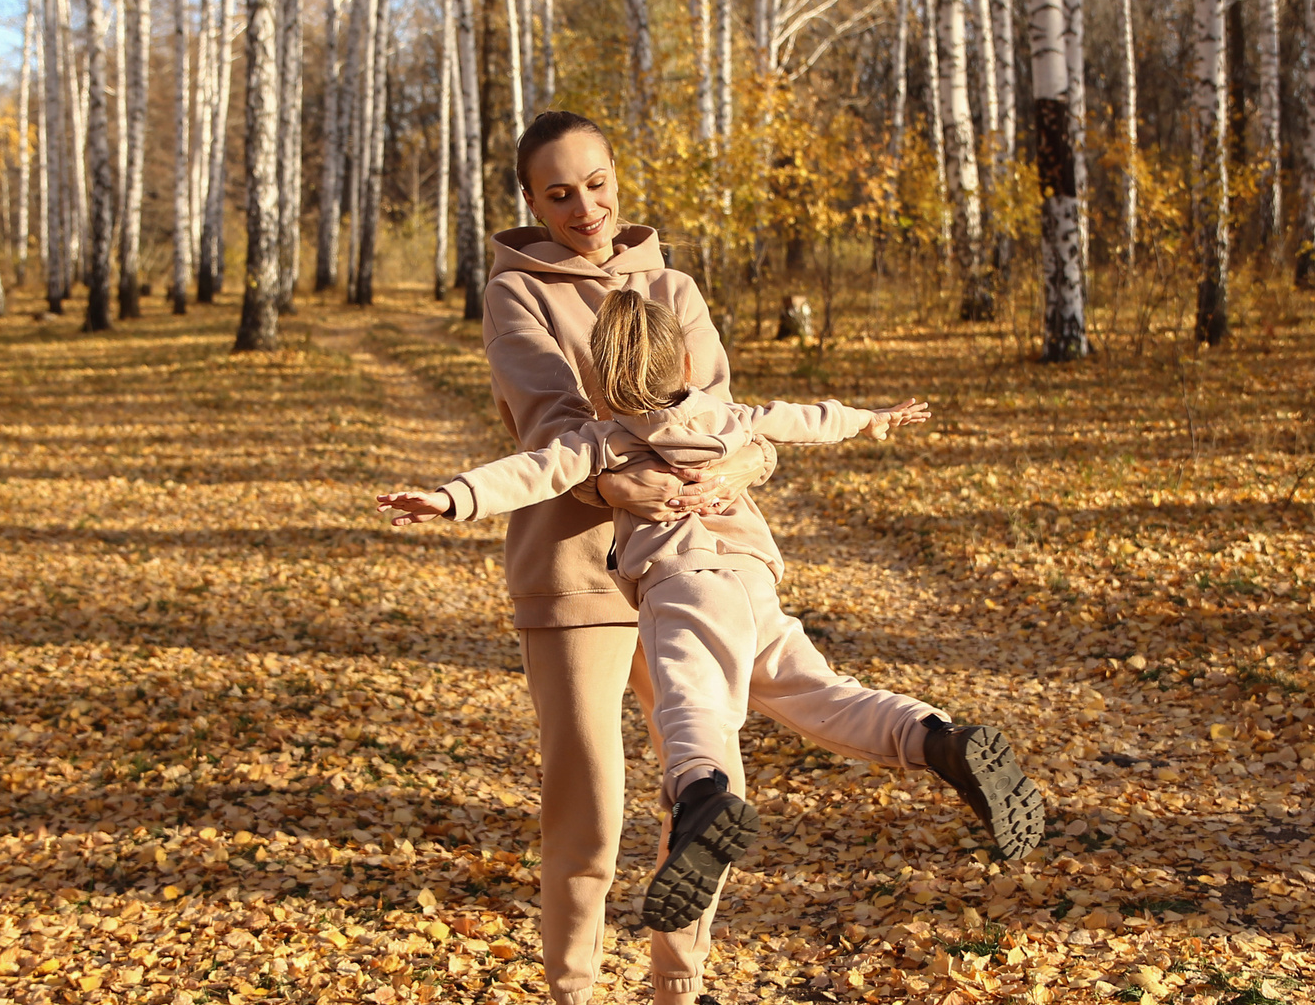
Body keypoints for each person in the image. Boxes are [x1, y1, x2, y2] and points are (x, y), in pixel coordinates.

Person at [453, 110, 1047, 1005]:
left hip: (688, 555)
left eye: (596, 184)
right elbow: (555, 431)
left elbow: (730, 421)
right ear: (529, 202)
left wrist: (735, 470)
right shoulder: (517, 292)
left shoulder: (675, 288)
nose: (584, 208)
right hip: (578, 569)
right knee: (590, 806)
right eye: (559, 194)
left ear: (617, 177)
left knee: (706, 788)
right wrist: (615, 484)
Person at [381, 288, 938, 924]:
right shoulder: (727, 416)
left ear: (601, 380)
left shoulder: (607, 439)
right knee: (817, 688)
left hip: (686, 579)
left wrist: (450, 498)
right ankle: (932, 734)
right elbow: (799, 419)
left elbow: (530, 472)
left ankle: (700, 794)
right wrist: (869, 419)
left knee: (689, 703)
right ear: (688, 366)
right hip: (752, 576)